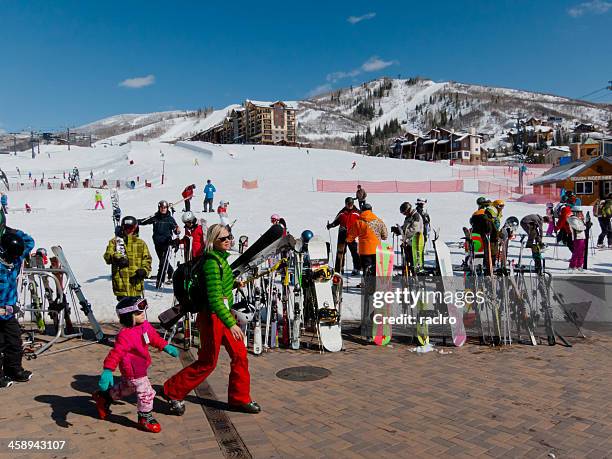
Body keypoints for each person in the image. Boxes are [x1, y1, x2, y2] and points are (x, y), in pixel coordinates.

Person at [163, 224, 261, 415]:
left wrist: (232, 283)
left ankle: (239, 399)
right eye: (223, 239)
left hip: (224, 315)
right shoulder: (211, 263)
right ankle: (173, 391)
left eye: (229, 237)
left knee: (240, 355)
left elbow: (218, 286)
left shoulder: (221, 261)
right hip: (212, 317)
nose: (228, 241)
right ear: (213, 241)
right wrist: (231, 324)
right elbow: (215, 299)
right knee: (208, 362)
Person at [93, 297, 180, 433]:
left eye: (143, 311)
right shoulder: (125, 335)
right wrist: (108, 370)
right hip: (133, 371)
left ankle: (104, 397)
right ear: (129, 317)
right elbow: (116, 353)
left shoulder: (144, 325)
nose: (143, 314)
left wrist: (165, 346)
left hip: (140, 366)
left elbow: (153, 337)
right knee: (147, 393)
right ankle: (144, 417)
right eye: (138, 313)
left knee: (128, 389)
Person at [0, 223, 35, 388]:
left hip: (9, 313)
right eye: (12, 257)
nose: (15, 260)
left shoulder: (16, 258)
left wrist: (10, 231)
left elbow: (29, 242)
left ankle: (14, 369)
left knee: (14, 342)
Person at [103, 216, 152, 300]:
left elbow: (147, 259)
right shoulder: (115, 242)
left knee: (136, 311)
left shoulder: (141, 243)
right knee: (125, 311)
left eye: (131, 228)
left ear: (135, 228)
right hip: (121, 285)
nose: (129, 231)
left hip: (136, 285)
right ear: (122, 228)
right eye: (126, 228)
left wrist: (144, 270)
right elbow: (107, 256)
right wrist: (116, 258)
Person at [139, 201, 181, 287]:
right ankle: (170, 271)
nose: (163, 209)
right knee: (163, 260)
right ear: (159, 208)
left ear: (167, 208)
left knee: (162, 262)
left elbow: (176, 229)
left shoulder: (170, 219)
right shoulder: (155, 218)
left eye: (164, 208)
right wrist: (134, 222)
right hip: (157, 243)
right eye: (161, 207)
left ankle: (159, 280)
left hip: (167, 243)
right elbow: (144, 221)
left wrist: (177, 230)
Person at [346, 203, 387, 277]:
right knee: (376, 268)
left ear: (362, 211)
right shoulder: (379, 221)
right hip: (376, 249)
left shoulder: (358, 222)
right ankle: (376, 283)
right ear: (371, 210)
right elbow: (385, 236)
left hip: (364, 250)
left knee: (366, 267)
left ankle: (366, 283)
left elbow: (351, 235)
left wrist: (348, 240)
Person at [327, 197, 361, 275]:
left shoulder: (357, 212)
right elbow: (336, 222)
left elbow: (362, 222)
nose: (349, 205)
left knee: (355, 252)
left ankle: (356, 268)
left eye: (351, 204)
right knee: (340, 252)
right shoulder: (342, 213)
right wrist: (331, 225)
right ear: (345, 204)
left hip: (352, 235)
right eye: (348, 204)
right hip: (342, 233)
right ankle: (339, 268)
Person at [392, 202, 424, 275]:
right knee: (407, 261)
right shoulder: (409, 217)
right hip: (409, 243)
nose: (404, 214)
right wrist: (398, 229)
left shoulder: (416, 217)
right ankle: (408, 275)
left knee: (414, 262)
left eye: (404, 213)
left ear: (408, 210)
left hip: (415, 244)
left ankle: (415, 276)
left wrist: (402, 232)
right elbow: (405, 227)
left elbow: (414, 230)